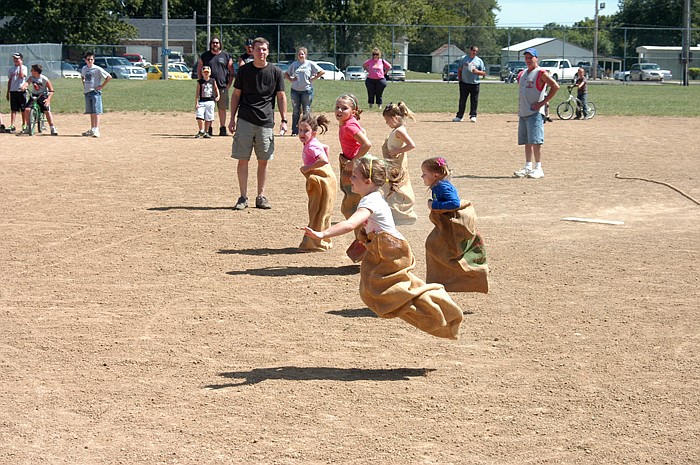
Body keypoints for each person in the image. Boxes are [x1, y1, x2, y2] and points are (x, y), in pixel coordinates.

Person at [302, 156, 464, 340]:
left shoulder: (369, 201)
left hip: (391, 250)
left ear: (368, 181)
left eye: (354, 176)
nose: (350, 179)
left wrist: (322, 234)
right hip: (388, 248)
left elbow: (349, 224)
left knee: (387, 292)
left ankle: (438, 305)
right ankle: (434, 307)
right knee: (382, 291)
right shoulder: (374, 195)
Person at [228, 37, 288, 211]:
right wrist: (232, 119)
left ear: (268, 51)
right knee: (243, 160)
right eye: (257, 49)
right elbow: (236, 95)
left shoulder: (276, 72)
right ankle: (242, 197)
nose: (261, 52)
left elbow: (281, 96)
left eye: (264, 49)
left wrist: (284, 120)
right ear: (251, 50)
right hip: (245, 119)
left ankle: (261, 196)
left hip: (265, 122)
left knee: (263, 161)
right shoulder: (244, 71)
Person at [421, 157, 489, 294]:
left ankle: (468, 276)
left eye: (424, 174)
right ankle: (440, 282)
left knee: (440, 250)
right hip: (444, 226)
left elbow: (454, 203)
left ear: (435, 175)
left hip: (452, 228)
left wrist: (434, 205)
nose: (422, 176)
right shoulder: (437, 185)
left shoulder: (442, 186)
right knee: (434, 248)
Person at [335, 94, 372, 261]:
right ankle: (364, 241)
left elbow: (367, 143)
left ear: (353, 111)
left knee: (352, 209)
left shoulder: (349, 126)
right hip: (350, 165)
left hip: (355, 168)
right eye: (337, 107)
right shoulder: (347, 123)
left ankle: (366, 243)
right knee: (349, 207)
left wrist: (354, 161)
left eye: (344, 108)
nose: (339, 110)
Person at [513, 47, 559, 179]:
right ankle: (528, 166)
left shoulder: (541, 72)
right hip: (524, 112)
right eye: (526, 58)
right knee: (527, 141)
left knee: (536, 141)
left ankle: (538, 168)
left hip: (535, 113)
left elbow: (555, 86)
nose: (528, 60)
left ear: (536, 58)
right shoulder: (523, 73)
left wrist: (542, 103)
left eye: (530, 57)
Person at [298, 113, 337, 252]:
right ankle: (321, 239)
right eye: (300, 130)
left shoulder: (310, 146)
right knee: (323, 210)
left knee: (318, 210)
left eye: (306, 131)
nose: (302, 133)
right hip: (325, 178)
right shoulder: (312, 143)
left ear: (313, 133)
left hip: (322, 179)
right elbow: (325, 148)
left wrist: (308, 168)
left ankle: (314, 243)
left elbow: (323, 160)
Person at [381, 102, 417, 224]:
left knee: (397, 185)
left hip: (397, 163)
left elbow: (411, 145)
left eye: (387, 120)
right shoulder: (396, 130)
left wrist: (398, 150)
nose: (387, 123)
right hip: (392, 162)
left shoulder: (400, 130)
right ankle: (394, 210)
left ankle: (401, 212)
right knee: (391, 185)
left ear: (394, 118)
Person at [198, 37, 234, 136]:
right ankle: (208, 128)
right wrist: (201, 81)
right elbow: (199, 67)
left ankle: (222, 128)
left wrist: (229, 84)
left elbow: (231, 71)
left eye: (217, 43)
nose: (215, 44)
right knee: (209, 108)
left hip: (222, 86)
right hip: (208, 87)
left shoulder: (226, 55)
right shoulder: (205, 56)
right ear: (210, 44)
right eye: (213, 43)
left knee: (222, 108)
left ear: (220, 44)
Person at [284, 47, 325, 136]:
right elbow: (286, 74)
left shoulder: (310, 64)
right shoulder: (294, 65)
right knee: (296, 111)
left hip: (307, 90)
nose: (300, 56)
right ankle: (295, 130)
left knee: (306, 110)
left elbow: (321, 72)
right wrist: (291, 80)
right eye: (299, 54)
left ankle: (307, 129)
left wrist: (313, 78)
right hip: (295, 90)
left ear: (305, 55)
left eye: (302, 54)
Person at [20, 64, 58, 136]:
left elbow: (52, 90)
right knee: (27, 109)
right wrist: (23, 87)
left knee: (46, 110)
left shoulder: (44, 79)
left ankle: (52, 127)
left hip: (42, 95)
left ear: (36, 71)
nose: (31, 71)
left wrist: (48, 99)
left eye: (32, 70)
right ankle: (28, 127)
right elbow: (27, 83)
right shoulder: (32, 78)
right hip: (34, 95)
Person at [80, 52, 112, 138]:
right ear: (85, 60)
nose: (90, 61)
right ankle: (92, 128)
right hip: (87, 92)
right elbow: (83, 76)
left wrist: (101, 86)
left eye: (91, 59)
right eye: (88, 59)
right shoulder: (84, 68)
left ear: (93, 60)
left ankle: (96, 129)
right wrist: (84, 84)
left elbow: (108, 77)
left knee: (96, 111)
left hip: (95, 92)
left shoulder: (97, 69)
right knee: (91, 111)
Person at [453, 45, 487, 123]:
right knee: (462, 100)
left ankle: (473, 116)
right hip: (464, 83)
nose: (474, 52)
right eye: (473, 50)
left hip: (475, 83)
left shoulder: (479, 61)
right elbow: (460, 70)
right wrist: (460, 80)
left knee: (474, 100)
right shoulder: (463, 59)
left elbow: (484, 73)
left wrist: (477, 72)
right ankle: (459, 116)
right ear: (470, 50)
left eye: (476, 51)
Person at [194, 66, 220, 139]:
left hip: (210, 101)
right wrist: (196, 102)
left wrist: (218, 95)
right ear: (202, 73)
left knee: (208, 117)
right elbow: (197, 93)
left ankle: (206, 131)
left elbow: (216, 88)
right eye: (204, 72)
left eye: (207, 72)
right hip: (202, 101)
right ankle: (201, 130)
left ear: (210, 73)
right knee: (199, 116)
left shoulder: (212, 80)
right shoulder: (200, 82)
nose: (206, 73)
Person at [6, 52, 28, 134]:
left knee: (23, 109)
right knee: (13, 109)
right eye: (14, 58)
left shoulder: (24, 68)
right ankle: (12, 125)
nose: (15, 60)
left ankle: (24, 124)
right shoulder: (11, 69)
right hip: (13, 91)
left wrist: (20, 66)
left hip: (21, 91)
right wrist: (8, 91)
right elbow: (10, 80)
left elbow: (22, 76)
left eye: (17, 58)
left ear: (21, 59)